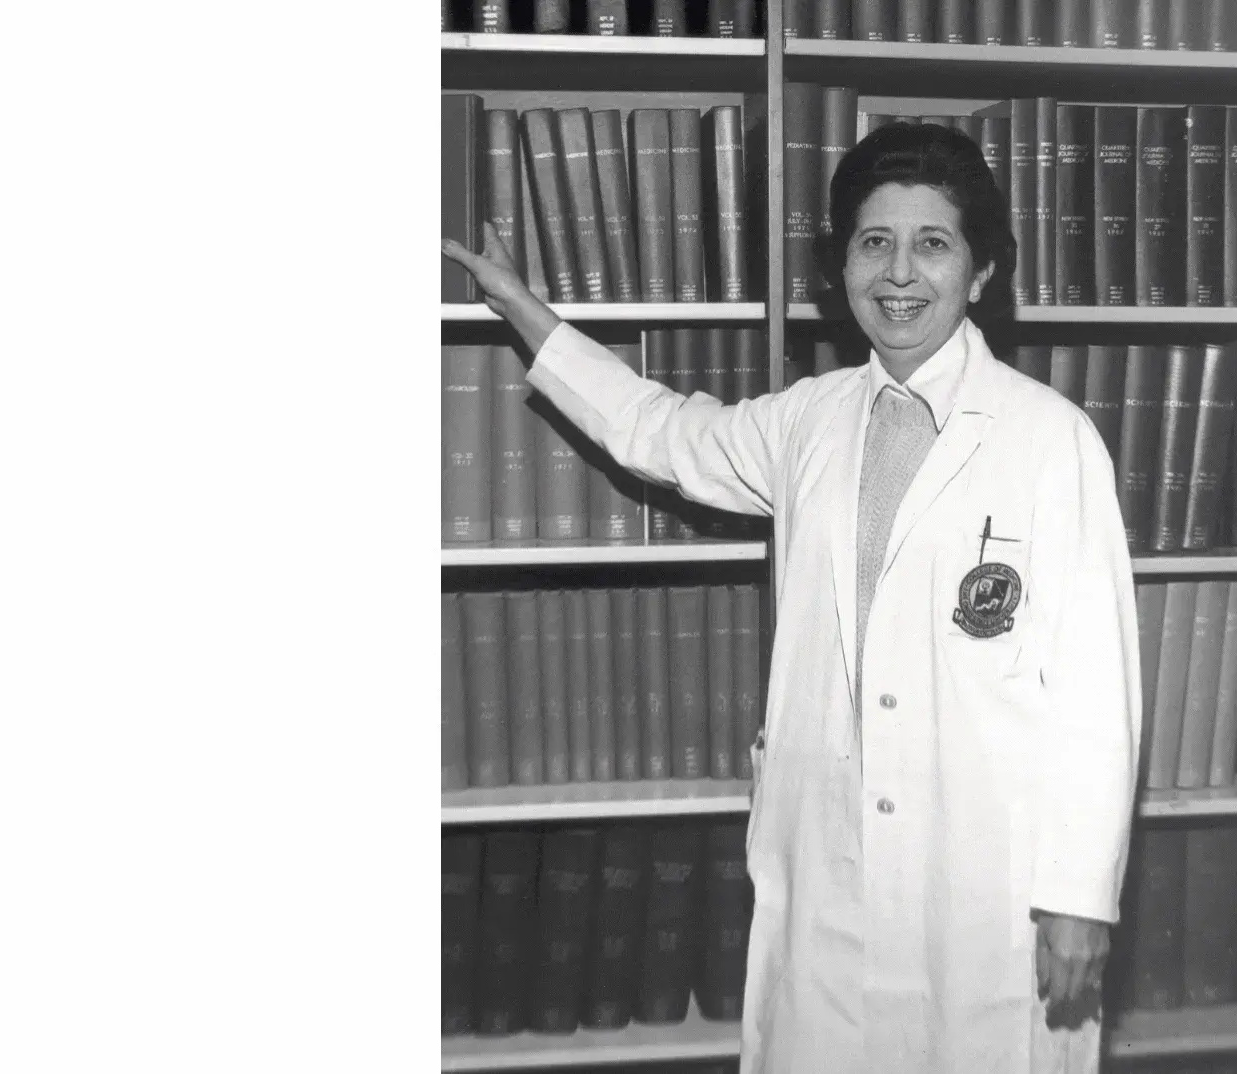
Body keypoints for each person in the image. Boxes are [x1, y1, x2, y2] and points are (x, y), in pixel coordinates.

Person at [444, 122, 1142, 1074]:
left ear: (981, 273)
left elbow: (1099, 691)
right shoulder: (809, 419)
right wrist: (524, 308)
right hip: (827, 851)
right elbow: (658, 431)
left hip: (982, 871)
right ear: (840, 265)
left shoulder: (1049, 439)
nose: (900, 273)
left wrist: (1079, 896)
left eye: (933, 244)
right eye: (873, 242)